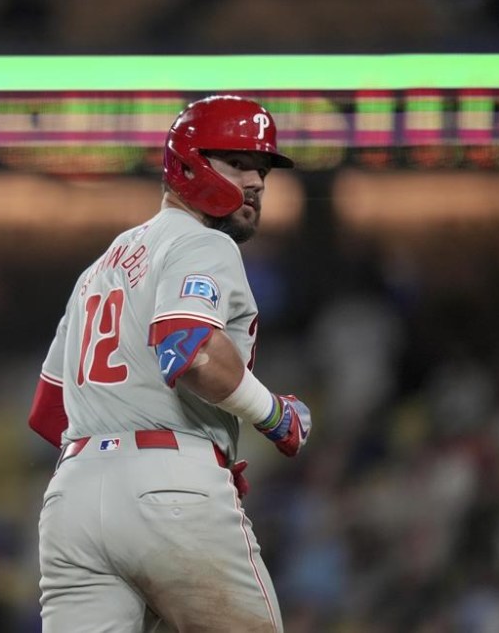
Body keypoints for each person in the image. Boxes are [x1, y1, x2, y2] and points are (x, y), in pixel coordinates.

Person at [28, 95, 313, 633]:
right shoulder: (200, 242)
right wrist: (274, 416)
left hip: (72, 500)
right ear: (188, 160)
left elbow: (48, 414)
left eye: (263, 169)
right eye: (239, 162)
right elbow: (192, 350)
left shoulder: (97, 270)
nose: (255, 181)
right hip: (171, 487)